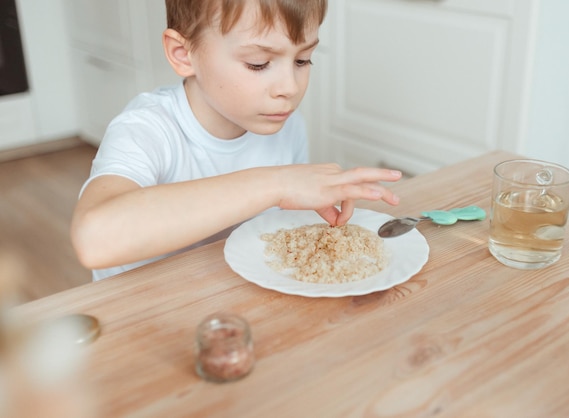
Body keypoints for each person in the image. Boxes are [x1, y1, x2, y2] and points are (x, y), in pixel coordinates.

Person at [71, 0, 402, 281]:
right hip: (142, 324)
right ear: (183, 55)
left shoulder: (288, 127)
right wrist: (277, 184)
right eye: (258, 64)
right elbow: (94, 239)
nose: (289, 86)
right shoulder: (146, 129)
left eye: (302, 60)